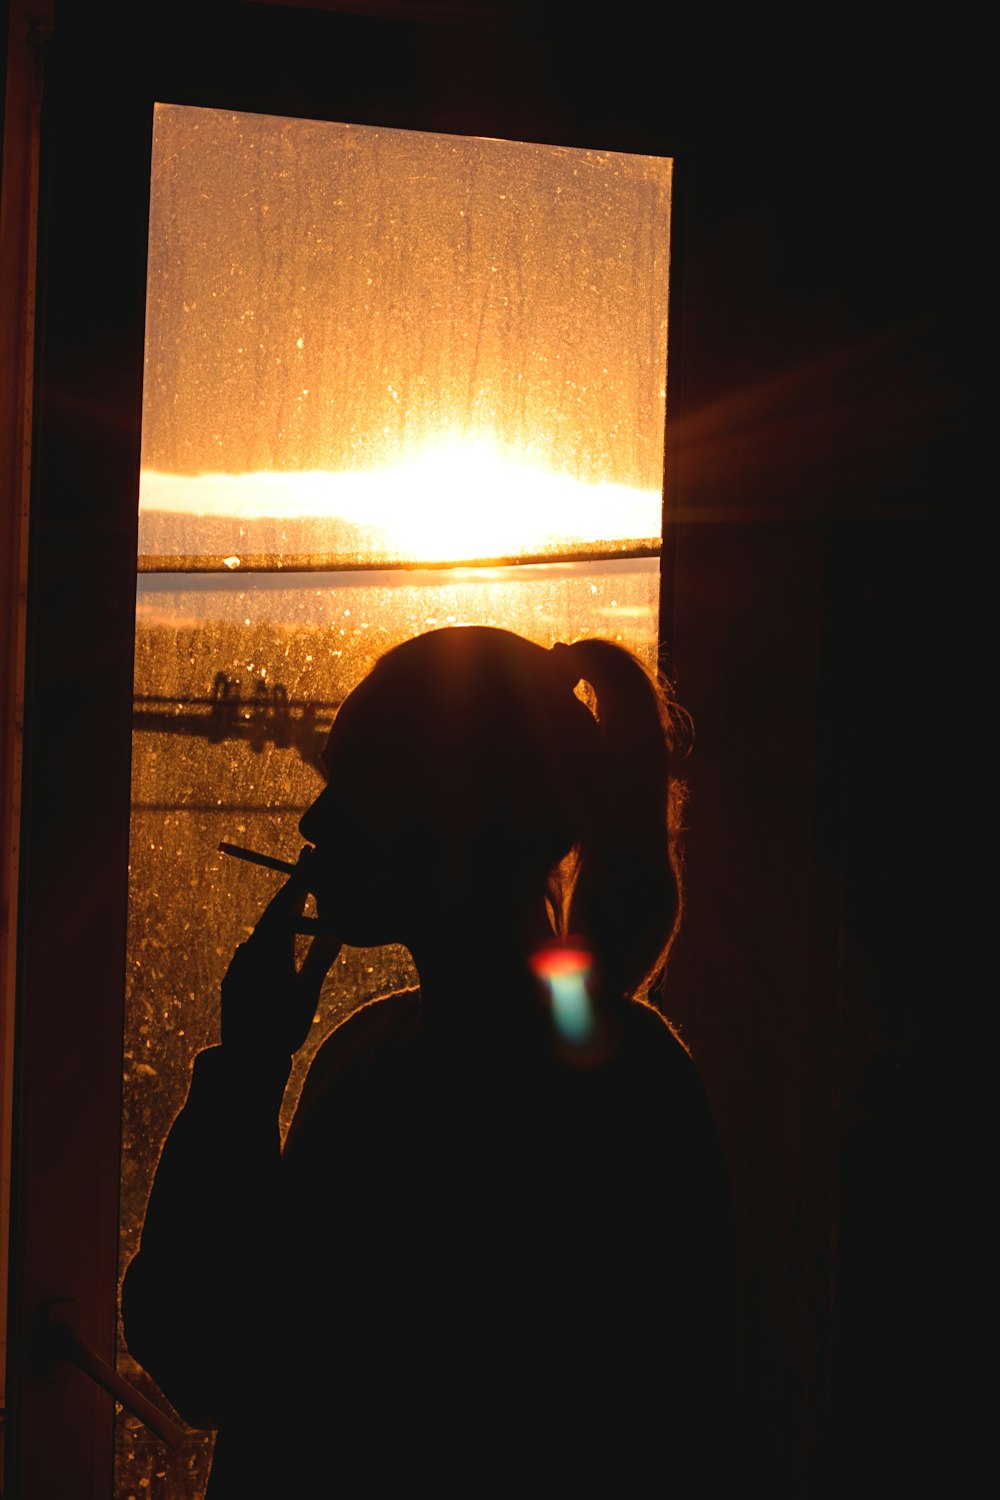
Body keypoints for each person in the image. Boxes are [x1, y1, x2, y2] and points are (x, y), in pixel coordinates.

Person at [123, 626, 734, 1495]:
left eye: (351, 791)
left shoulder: (390, 1067)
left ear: (457, 815)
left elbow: (203, 1354)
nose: (312, 823)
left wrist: (246, 1067)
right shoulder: (394, 1056)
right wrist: (252, 1060)